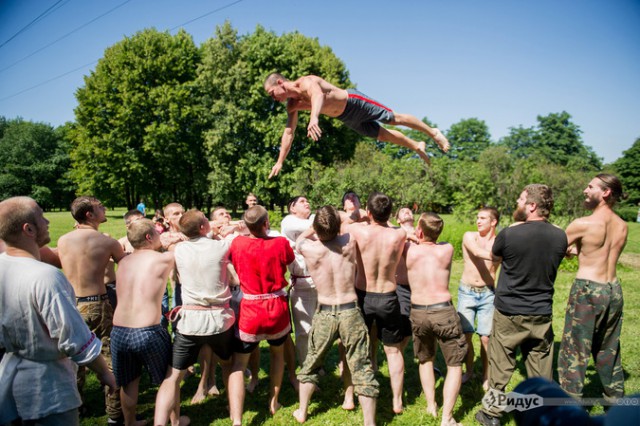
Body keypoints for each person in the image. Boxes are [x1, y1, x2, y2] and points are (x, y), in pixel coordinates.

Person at [0, 196, 116, 426]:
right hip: (48, 386)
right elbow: (74, 338)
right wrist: (104, 373)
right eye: (42, 217)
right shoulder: (45, 276)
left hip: (9, 378)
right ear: (29, 229)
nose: (47, 221)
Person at [476, 184, 568, 426]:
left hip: (509, 311)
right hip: (541, 313)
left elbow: (495, 257)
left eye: (520, 199)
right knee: (540, 369)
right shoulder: (560, 235)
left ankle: (492, 414)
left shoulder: (510, 233)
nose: (517, 202)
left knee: (501, 363)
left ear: (532, 205)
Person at [264, 73, 450, 178]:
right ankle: (417, 145)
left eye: (272, 93)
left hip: (354, 102)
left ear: (280, 83)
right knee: (383, 135)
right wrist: (280, 161)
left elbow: (318, 95)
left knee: (394, 118)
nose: (273, 98)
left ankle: (433, 132)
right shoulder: (292, 105)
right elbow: (289, 132)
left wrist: (314, 118)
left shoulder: (306, 82)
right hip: (346, 117)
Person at [293, 205, 379, 425]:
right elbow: (350, 223)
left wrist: (313, 228)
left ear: (316, 227)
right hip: (349, 310)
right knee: (361, 366)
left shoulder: (308, 248)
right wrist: (342, 221)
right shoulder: (349, 243)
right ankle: (369, 422)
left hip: (325, 311)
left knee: (311, 363)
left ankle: (302, 411)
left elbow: (301, 238)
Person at [155, 210, 237, 424]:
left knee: (172, 377)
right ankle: (234, 412)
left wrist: (183, 234)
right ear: (203, 227)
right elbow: (239, 230)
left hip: (190, 321)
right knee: (228, 365)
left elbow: (164, 239)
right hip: (220, 320)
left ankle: (160, 423)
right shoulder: (221, 246)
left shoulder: (179, 249)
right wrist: (222, 230)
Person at [558, 174, 628, 402]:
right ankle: (616, 402)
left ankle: (571, 407)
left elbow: (556, 251)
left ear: (605, 192)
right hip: (613, 290)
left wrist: (567, 248)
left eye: (590, 187)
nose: (585, 190)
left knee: (574, 349)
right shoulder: (623, 226)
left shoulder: (582, 224)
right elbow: (598, 251)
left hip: (587, 289)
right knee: (609, 349)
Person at [56, 196, 127, 424]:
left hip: (70, 303)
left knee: (73, 359)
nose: (104, 208)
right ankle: (115, 414)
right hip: (97, 303)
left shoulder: (63, 240)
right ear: (89, 214)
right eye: (100, 207)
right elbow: (127, 266)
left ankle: (76, 408)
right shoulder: (107, 242)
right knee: (108, 357)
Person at [227, 205, 295, 424]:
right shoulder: (280, 243)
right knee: (277, 355)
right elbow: (289, 260)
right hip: (276, 308)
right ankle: (274, 402)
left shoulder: (237, 243)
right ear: (266, 224)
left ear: (247, 225)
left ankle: (237, 418)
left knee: (239, 364)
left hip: (250, 309)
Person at [348, 191, 408, 414]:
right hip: (388, 296)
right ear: (390, 213)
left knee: (358, 349)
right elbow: (394, 227)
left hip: (363, 295)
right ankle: (397, 401)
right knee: (393, 351)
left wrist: (360, 213)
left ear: (369, 212)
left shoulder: (356, 231)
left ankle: (350, 396)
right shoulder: (399, 234)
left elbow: (345, 221)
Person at [111, 219, 175, 426]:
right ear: (149, 237)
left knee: (128, 382)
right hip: (148, 330)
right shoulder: (162, 259)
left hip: (119, 330)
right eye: (157, 233)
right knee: (168, 379)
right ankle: (174, 421)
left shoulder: (123, 262)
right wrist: (174, 238)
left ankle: (130, 423)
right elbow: (182, 248)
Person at [405, 212, 466, 426]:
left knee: (425, 359)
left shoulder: (410, 251)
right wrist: (424, 233)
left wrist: (414, 236)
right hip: (443, 311)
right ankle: (446, 417)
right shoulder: (446, 249)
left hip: (419, 311)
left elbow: (405, 235)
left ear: (419, 230)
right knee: (454, 364)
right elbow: (439, 240)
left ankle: (431, 405)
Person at [457, 207, 500, 390]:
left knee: (486, 338)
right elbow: (476, 252)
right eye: (477, 217)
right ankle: (469, 370)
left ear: (493, 222)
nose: (478, 220)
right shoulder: (470, 236)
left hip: (488, 293)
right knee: (465, 335)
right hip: (466, 291)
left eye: (483, 218)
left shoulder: (500, 242)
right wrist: (501, 255)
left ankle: (486, 375)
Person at [280, 195, 316, 366]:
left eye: (307, 200)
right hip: (302, 284)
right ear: (292, 208)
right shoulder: (288, 221)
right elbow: (323, 225)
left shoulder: (314, 219)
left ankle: (319, 361)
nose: (307, 202)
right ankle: (306, 364)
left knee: (322, 327)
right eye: (302, 201)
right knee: (304, 330)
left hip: (322, 282)